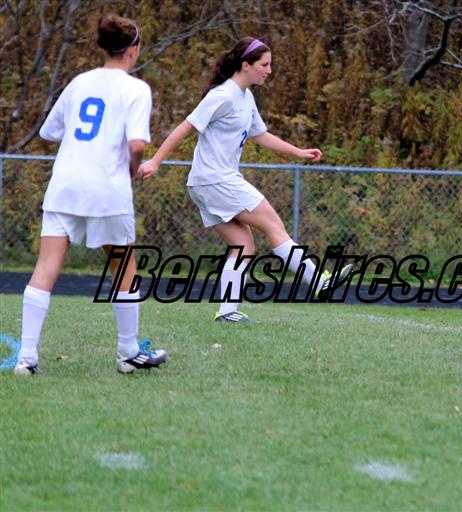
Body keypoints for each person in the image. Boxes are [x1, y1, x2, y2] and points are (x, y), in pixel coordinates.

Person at [138, 37, 353, 322]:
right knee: (274, 226)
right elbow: (185, 127)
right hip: (217, 180)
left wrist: (298, 152)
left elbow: (260, 135)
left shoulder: (245, 97)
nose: (269, 71)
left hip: (205, 183)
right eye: (265, 65)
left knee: (243, 247)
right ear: (246, 65)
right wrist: (155, 160)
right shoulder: (223, 96)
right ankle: (317, 280)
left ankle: (227, 312)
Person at [14, 13, 167, 375]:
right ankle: (128, 352)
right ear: (133, 49)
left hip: (65, 185)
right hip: (106, 188)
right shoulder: (135, 89)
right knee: (123, 266)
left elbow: (50, 131)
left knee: (46, 267)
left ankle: (27, 357)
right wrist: (132, 167)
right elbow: (137, 144)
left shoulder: (79, 82)